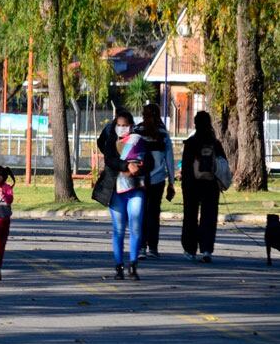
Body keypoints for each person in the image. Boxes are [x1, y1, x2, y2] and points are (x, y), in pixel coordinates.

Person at [92, 111, 151, 280]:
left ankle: (133, 265)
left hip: (136, 188)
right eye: (120, 125)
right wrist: (126, 165)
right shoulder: (111, 141)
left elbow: (150, 162)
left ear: (132, 126)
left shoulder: (138, 141)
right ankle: (119, 266)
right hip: (116, 190)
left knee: (136, 227)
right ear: (115, 125)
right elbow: (110, 160)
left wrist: (140, 167)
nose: (123, 128)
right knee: (118, 229)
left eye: (126, 125)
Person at [181, 111, 225, 263]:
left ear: (195, 123)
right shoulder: (215, 143)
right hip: (210, 184)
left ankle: (189, 249)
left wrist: (184, 185)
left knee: (190, 216)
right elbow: (222, 164)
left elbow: (186, 167)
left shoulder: (191, 142)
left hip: (192, 184)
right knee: (209, 216)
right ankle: (206, 249)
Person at [135, 104, 175, 259]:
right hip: (158, 179)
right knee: (154, 213)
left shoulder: (137, 132)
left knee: (140, 213)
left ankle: (141, 247)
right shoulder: (163, 134)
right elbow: (170, 160)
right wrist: (171, 182)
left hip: (139, 179)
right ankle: (153, 247)